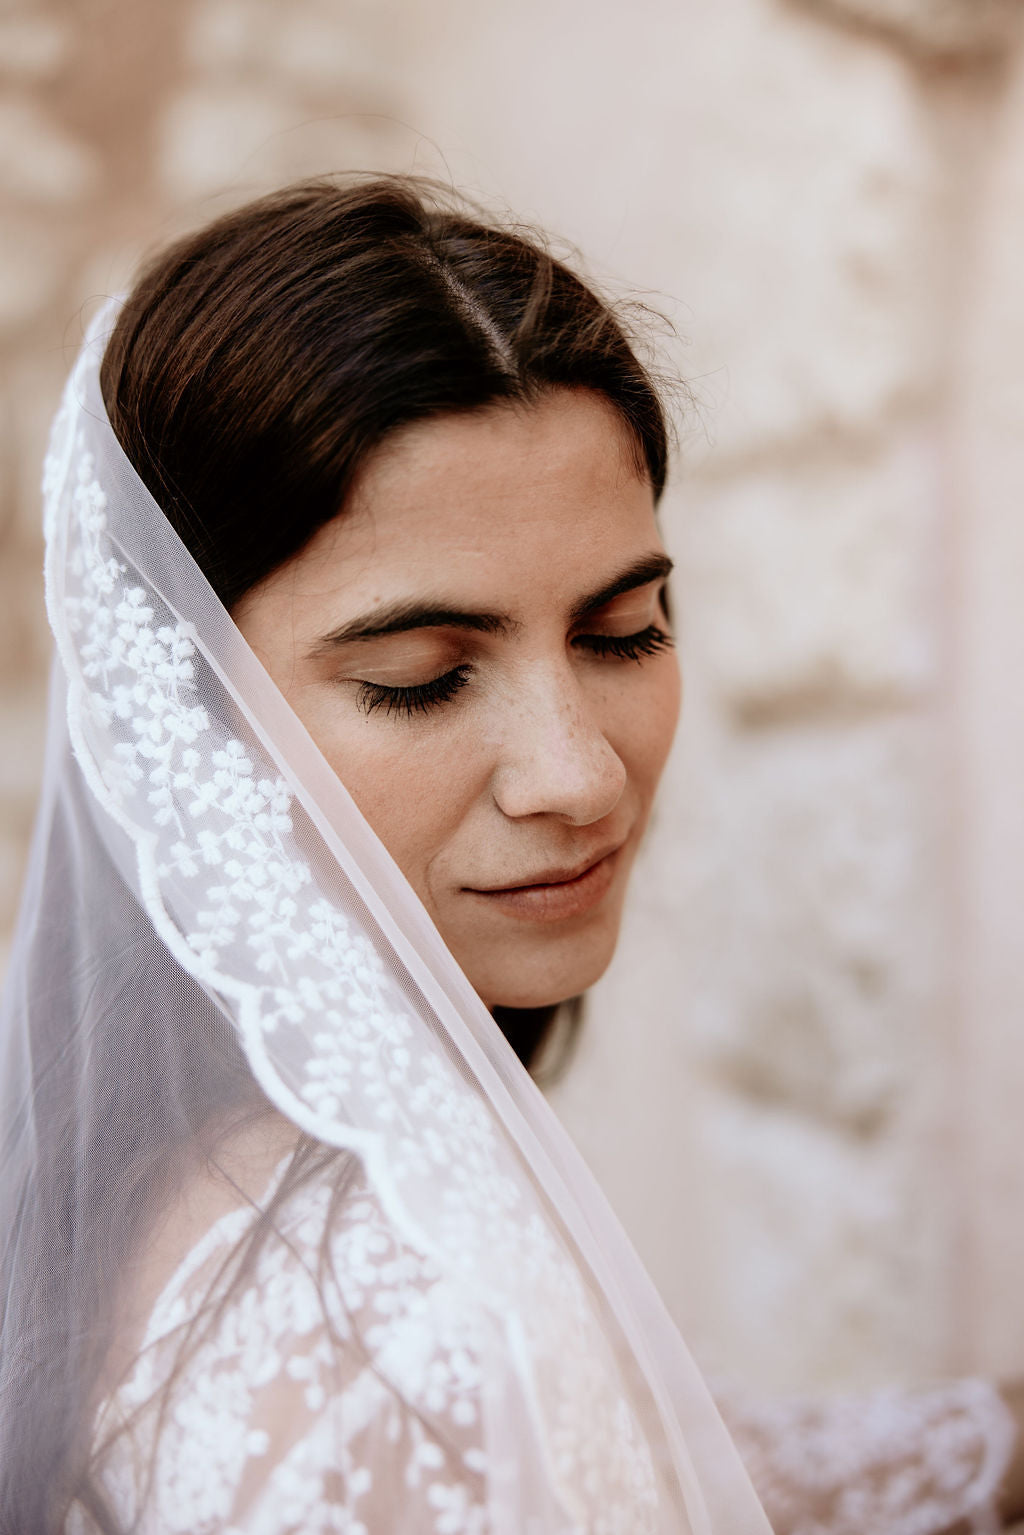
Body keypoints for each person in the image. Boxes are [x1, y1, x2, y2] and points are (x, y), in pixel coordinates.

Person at [0, 175, 1015, 1533]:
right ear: (185, 727)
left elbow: (678, 1468)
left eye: (623, 634)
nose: (579, 775)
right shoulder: (406, 1346)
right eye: (422, 678)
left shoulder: (169, 1178)